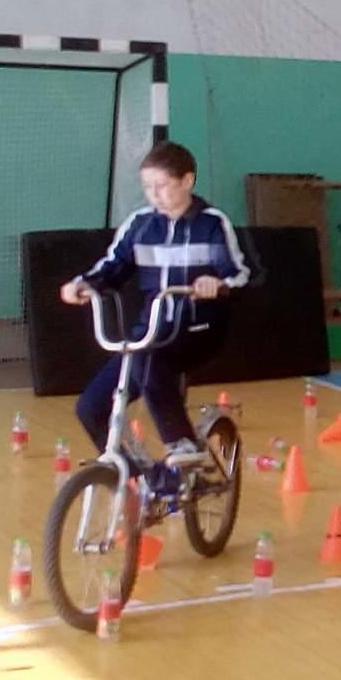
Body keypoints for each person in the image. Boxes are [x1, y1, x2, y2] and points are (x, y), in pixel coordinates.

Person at [62, 141, 250, 470]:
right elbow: (113, 267)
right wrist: (83, 284)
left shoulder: (211, 223)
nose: (154, 195)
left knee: (146, 358)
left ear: (187, 181)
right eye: (148, 187)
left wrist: (217, 285)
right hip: (151, 332)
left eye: (162, 185)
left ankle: (182, 441)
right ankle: (146, 476)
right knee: (91, 407)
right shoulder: (140, 225)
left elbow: (240, 276)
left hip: (198, 331)